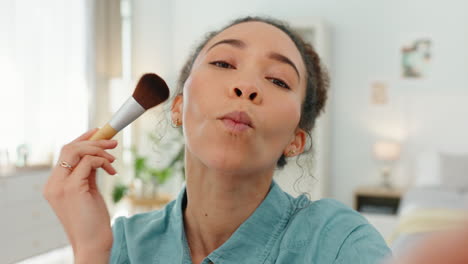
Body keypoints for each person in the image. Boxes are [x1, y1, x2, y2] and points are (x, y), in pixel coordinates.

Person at [43, 16, 391, 263]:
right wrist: (89, 252)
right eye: (224, 63)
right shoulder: (122, 246)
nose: (247, 87)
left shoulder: (339, 243)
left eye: (279, 80)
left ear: (295, 141)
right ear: (178, 107)